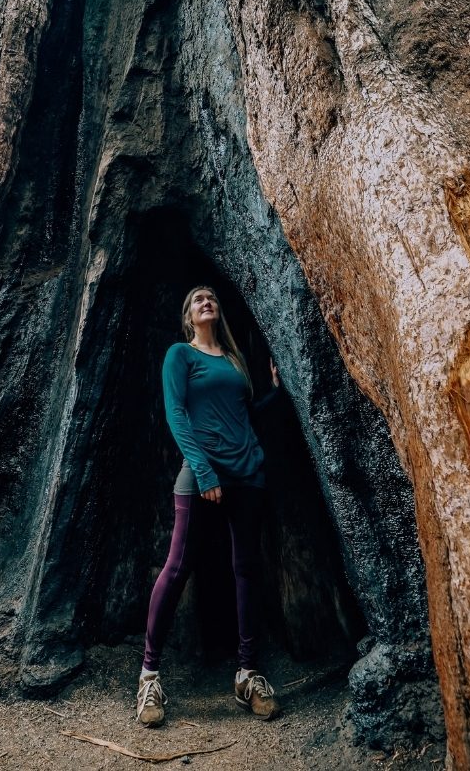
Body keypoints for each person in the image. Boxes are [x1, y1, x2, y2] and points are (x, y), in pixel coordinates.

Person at [136, 284, 281, 727]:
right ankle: (148, 676)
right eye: (197, 299)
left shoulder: (234, 361)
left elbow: (244, 413)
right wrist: (203, 471)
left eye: (211, 298)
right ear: (188, 315)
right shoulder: (181, 355)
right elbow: (176, 413)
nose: (206, 302)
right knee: (177, 566)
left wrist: (274, 391)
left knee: (247, 567)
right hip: (202, 472)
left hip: (247, 473)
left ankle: (247, 673)